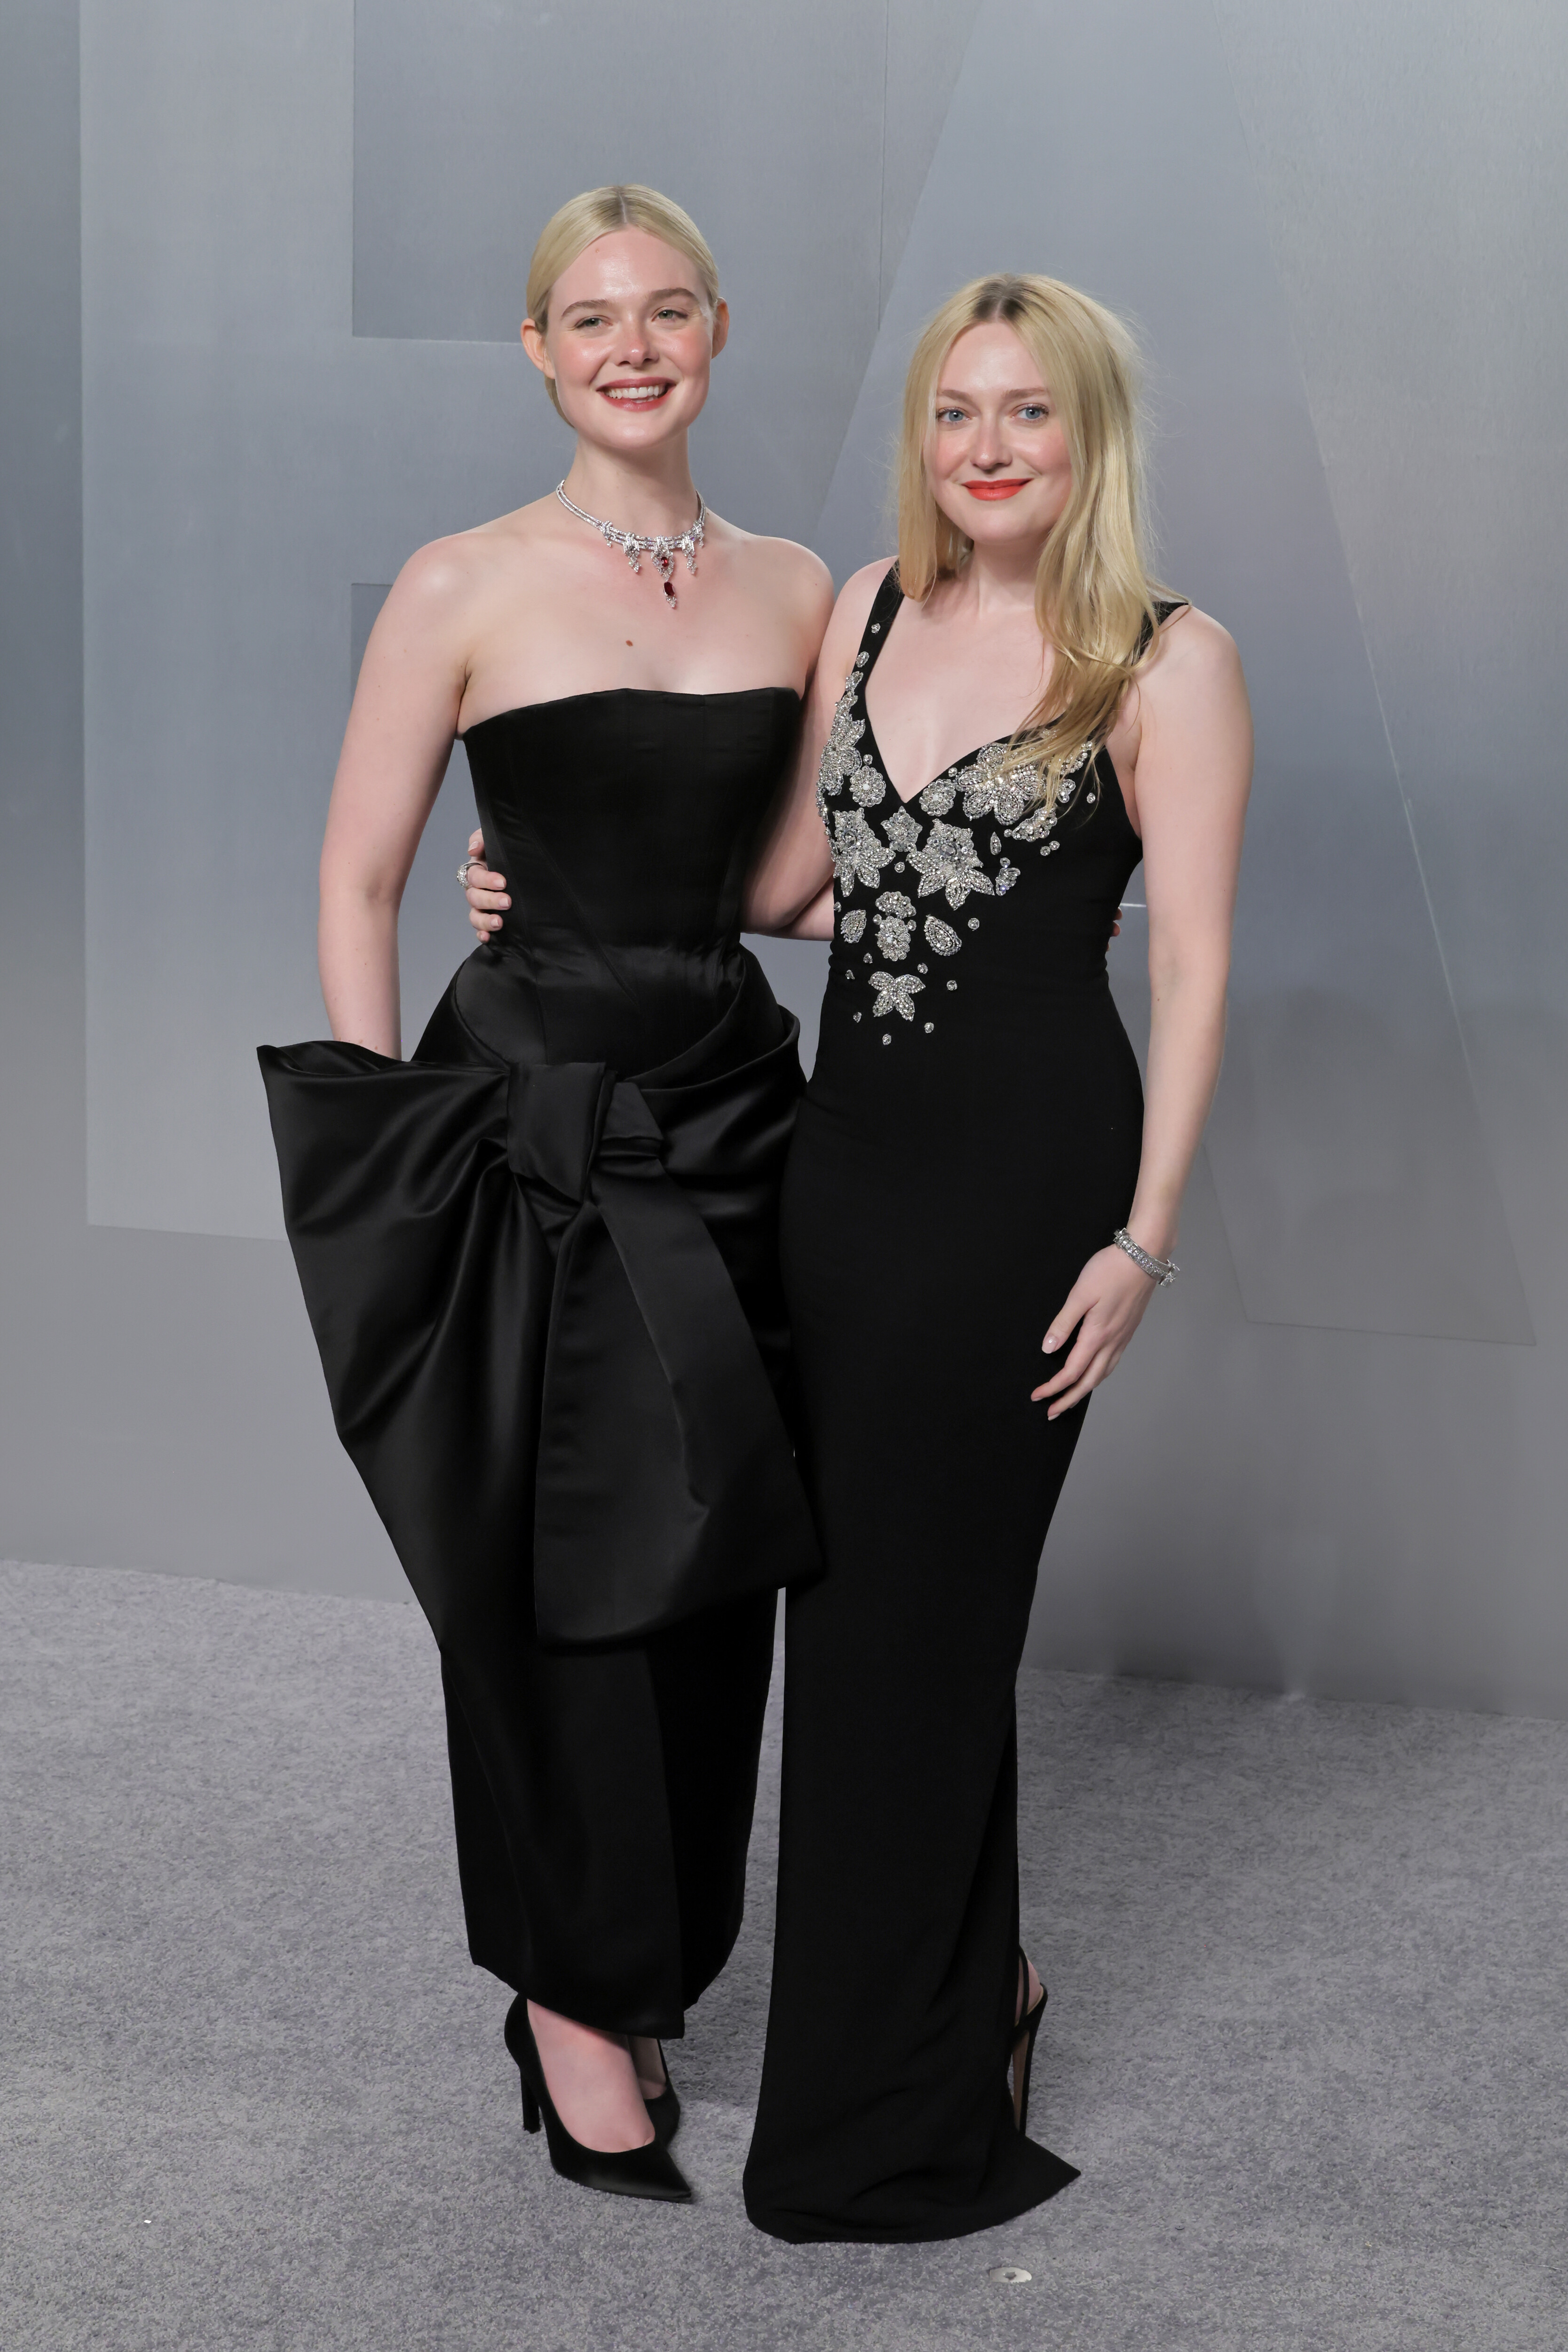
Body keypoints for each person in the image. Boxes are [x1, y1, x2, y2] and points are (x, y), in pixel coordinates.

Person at [470, 270, 1251, 2238]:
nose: (988, 447)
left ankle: (884, 2112)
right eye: (955, 412)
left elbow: (1193, 960)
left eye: (1030, 412)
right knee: (847, 1614)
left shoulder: (1169, 659)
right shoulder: (872, 612)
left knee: (926, 1625)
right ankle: (985, 1987)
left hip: (1027, 1199)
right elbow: (790, 886)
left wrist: (1145, 1240)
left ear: (1090, 437)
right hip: (843, 1181)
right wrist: (556, 877)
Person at [259, 184, 832, 2205]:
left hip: (737, 1113)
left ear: (719, 330)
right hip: (531, 1126)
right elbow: (358, 880)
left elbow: (782, 885)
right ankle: (573, 2002)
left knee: (719, 1563)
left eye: (666, 309)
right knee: (553, 1572)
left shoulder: (798, 588)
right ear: (538, 349)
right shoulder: (461, 583)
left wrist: (1008, 864)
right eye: (591, 317)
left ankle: (649, 1957)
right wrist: (401, 1140)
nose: (631, 346)